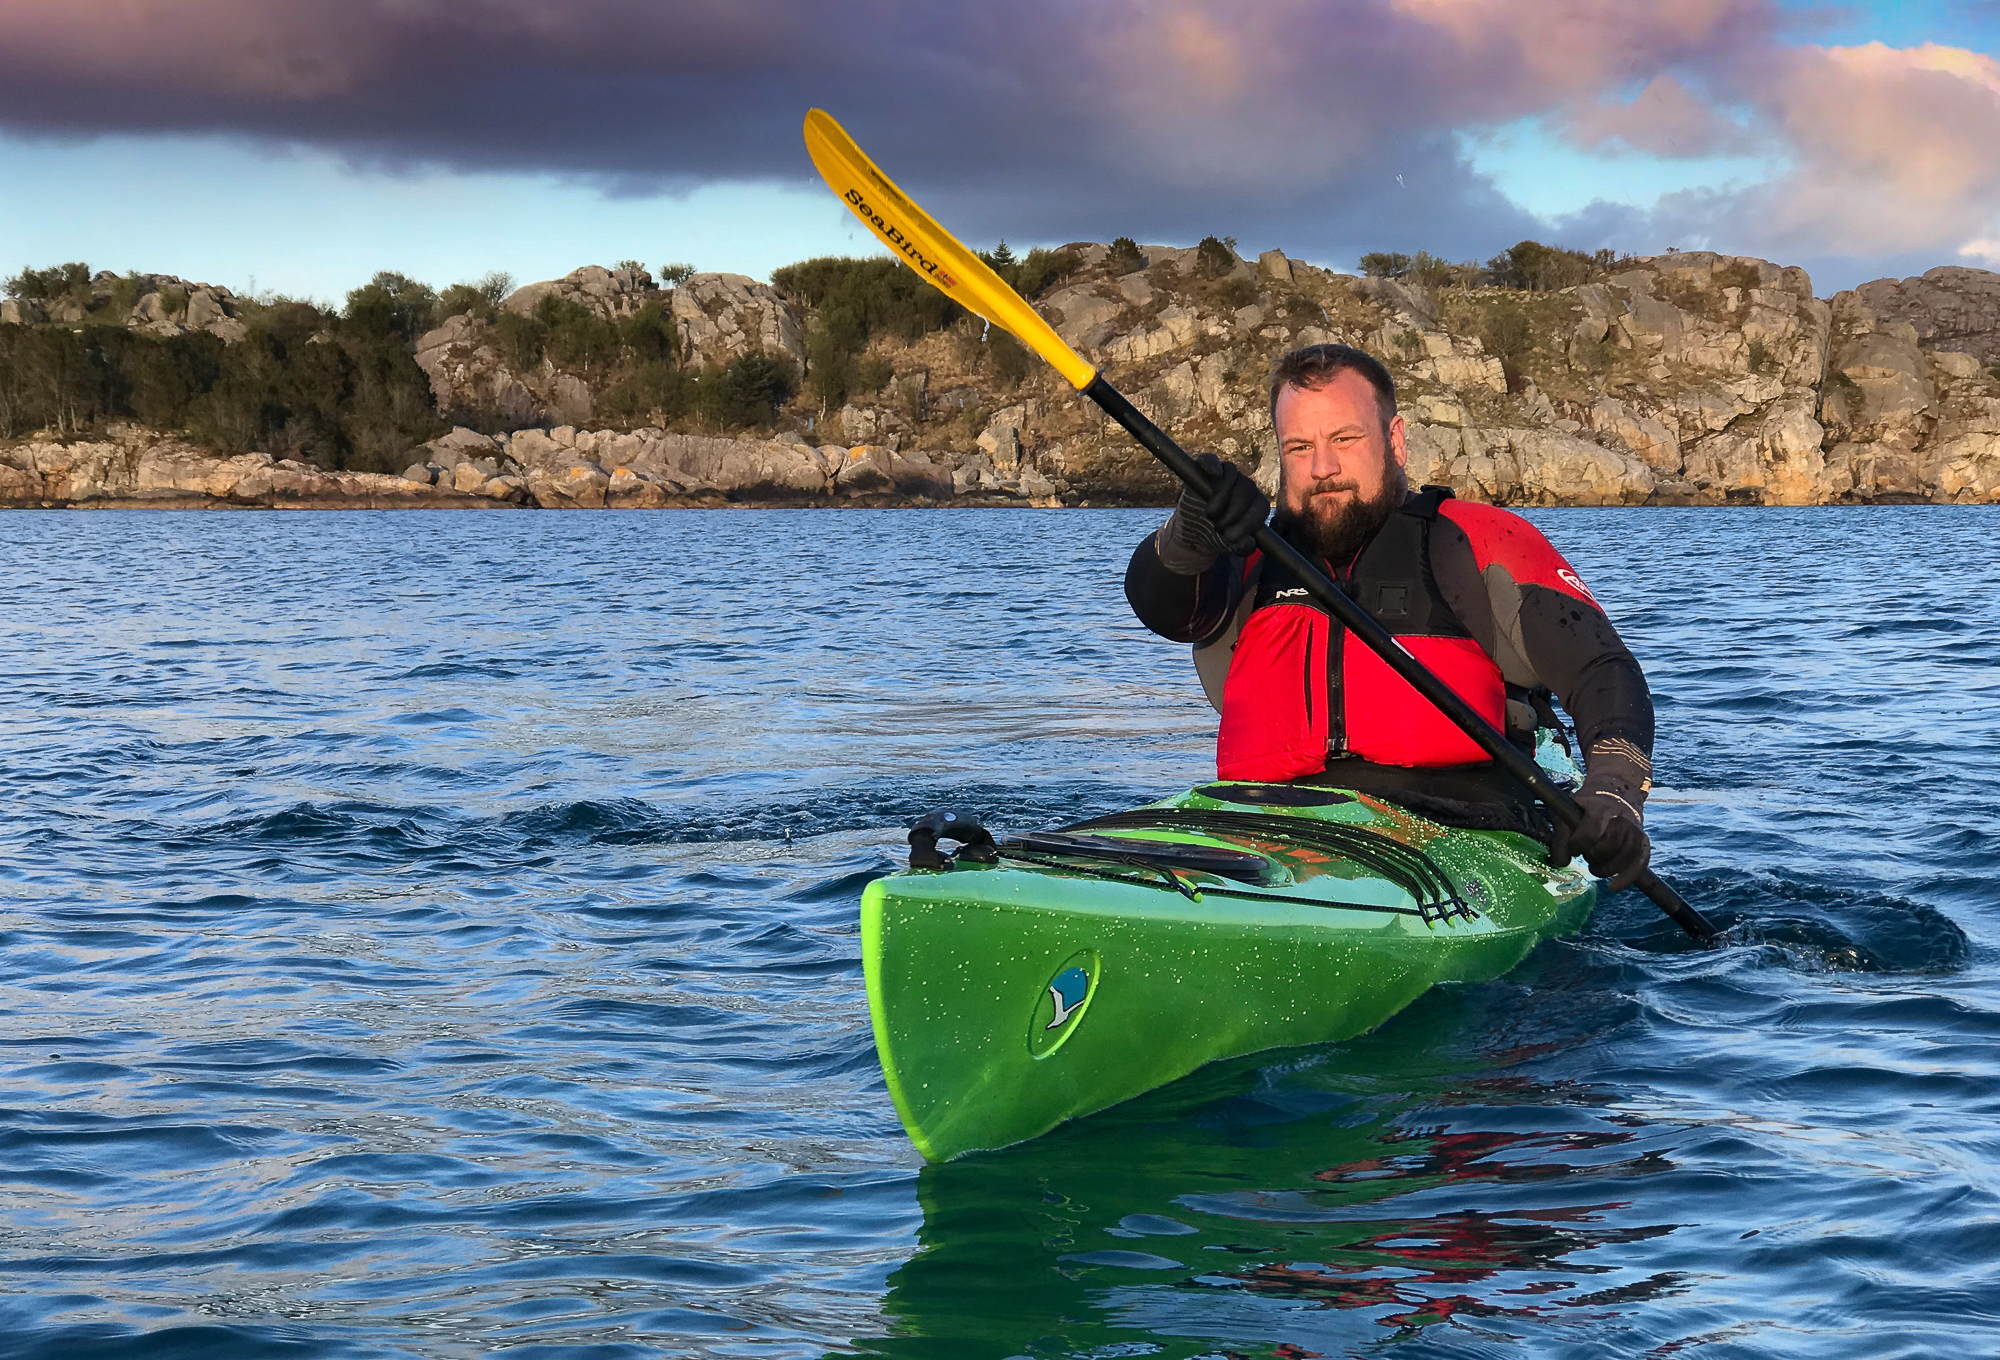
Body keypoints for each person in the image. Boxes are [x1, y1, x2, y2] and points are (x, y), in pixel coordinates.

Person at [1124, 342, 1654, 891]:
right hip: (1258, 830)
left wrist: (1613, 791)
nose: (1322, 468)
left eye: (1344, 439)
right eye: (1299, 447)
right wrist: (1189, 533)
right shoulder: (1245, 559)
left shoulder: (1475, 540)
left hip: (1458, 830)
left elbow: (1602, 670)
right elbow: (1161, 606)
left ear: (1394, 440)